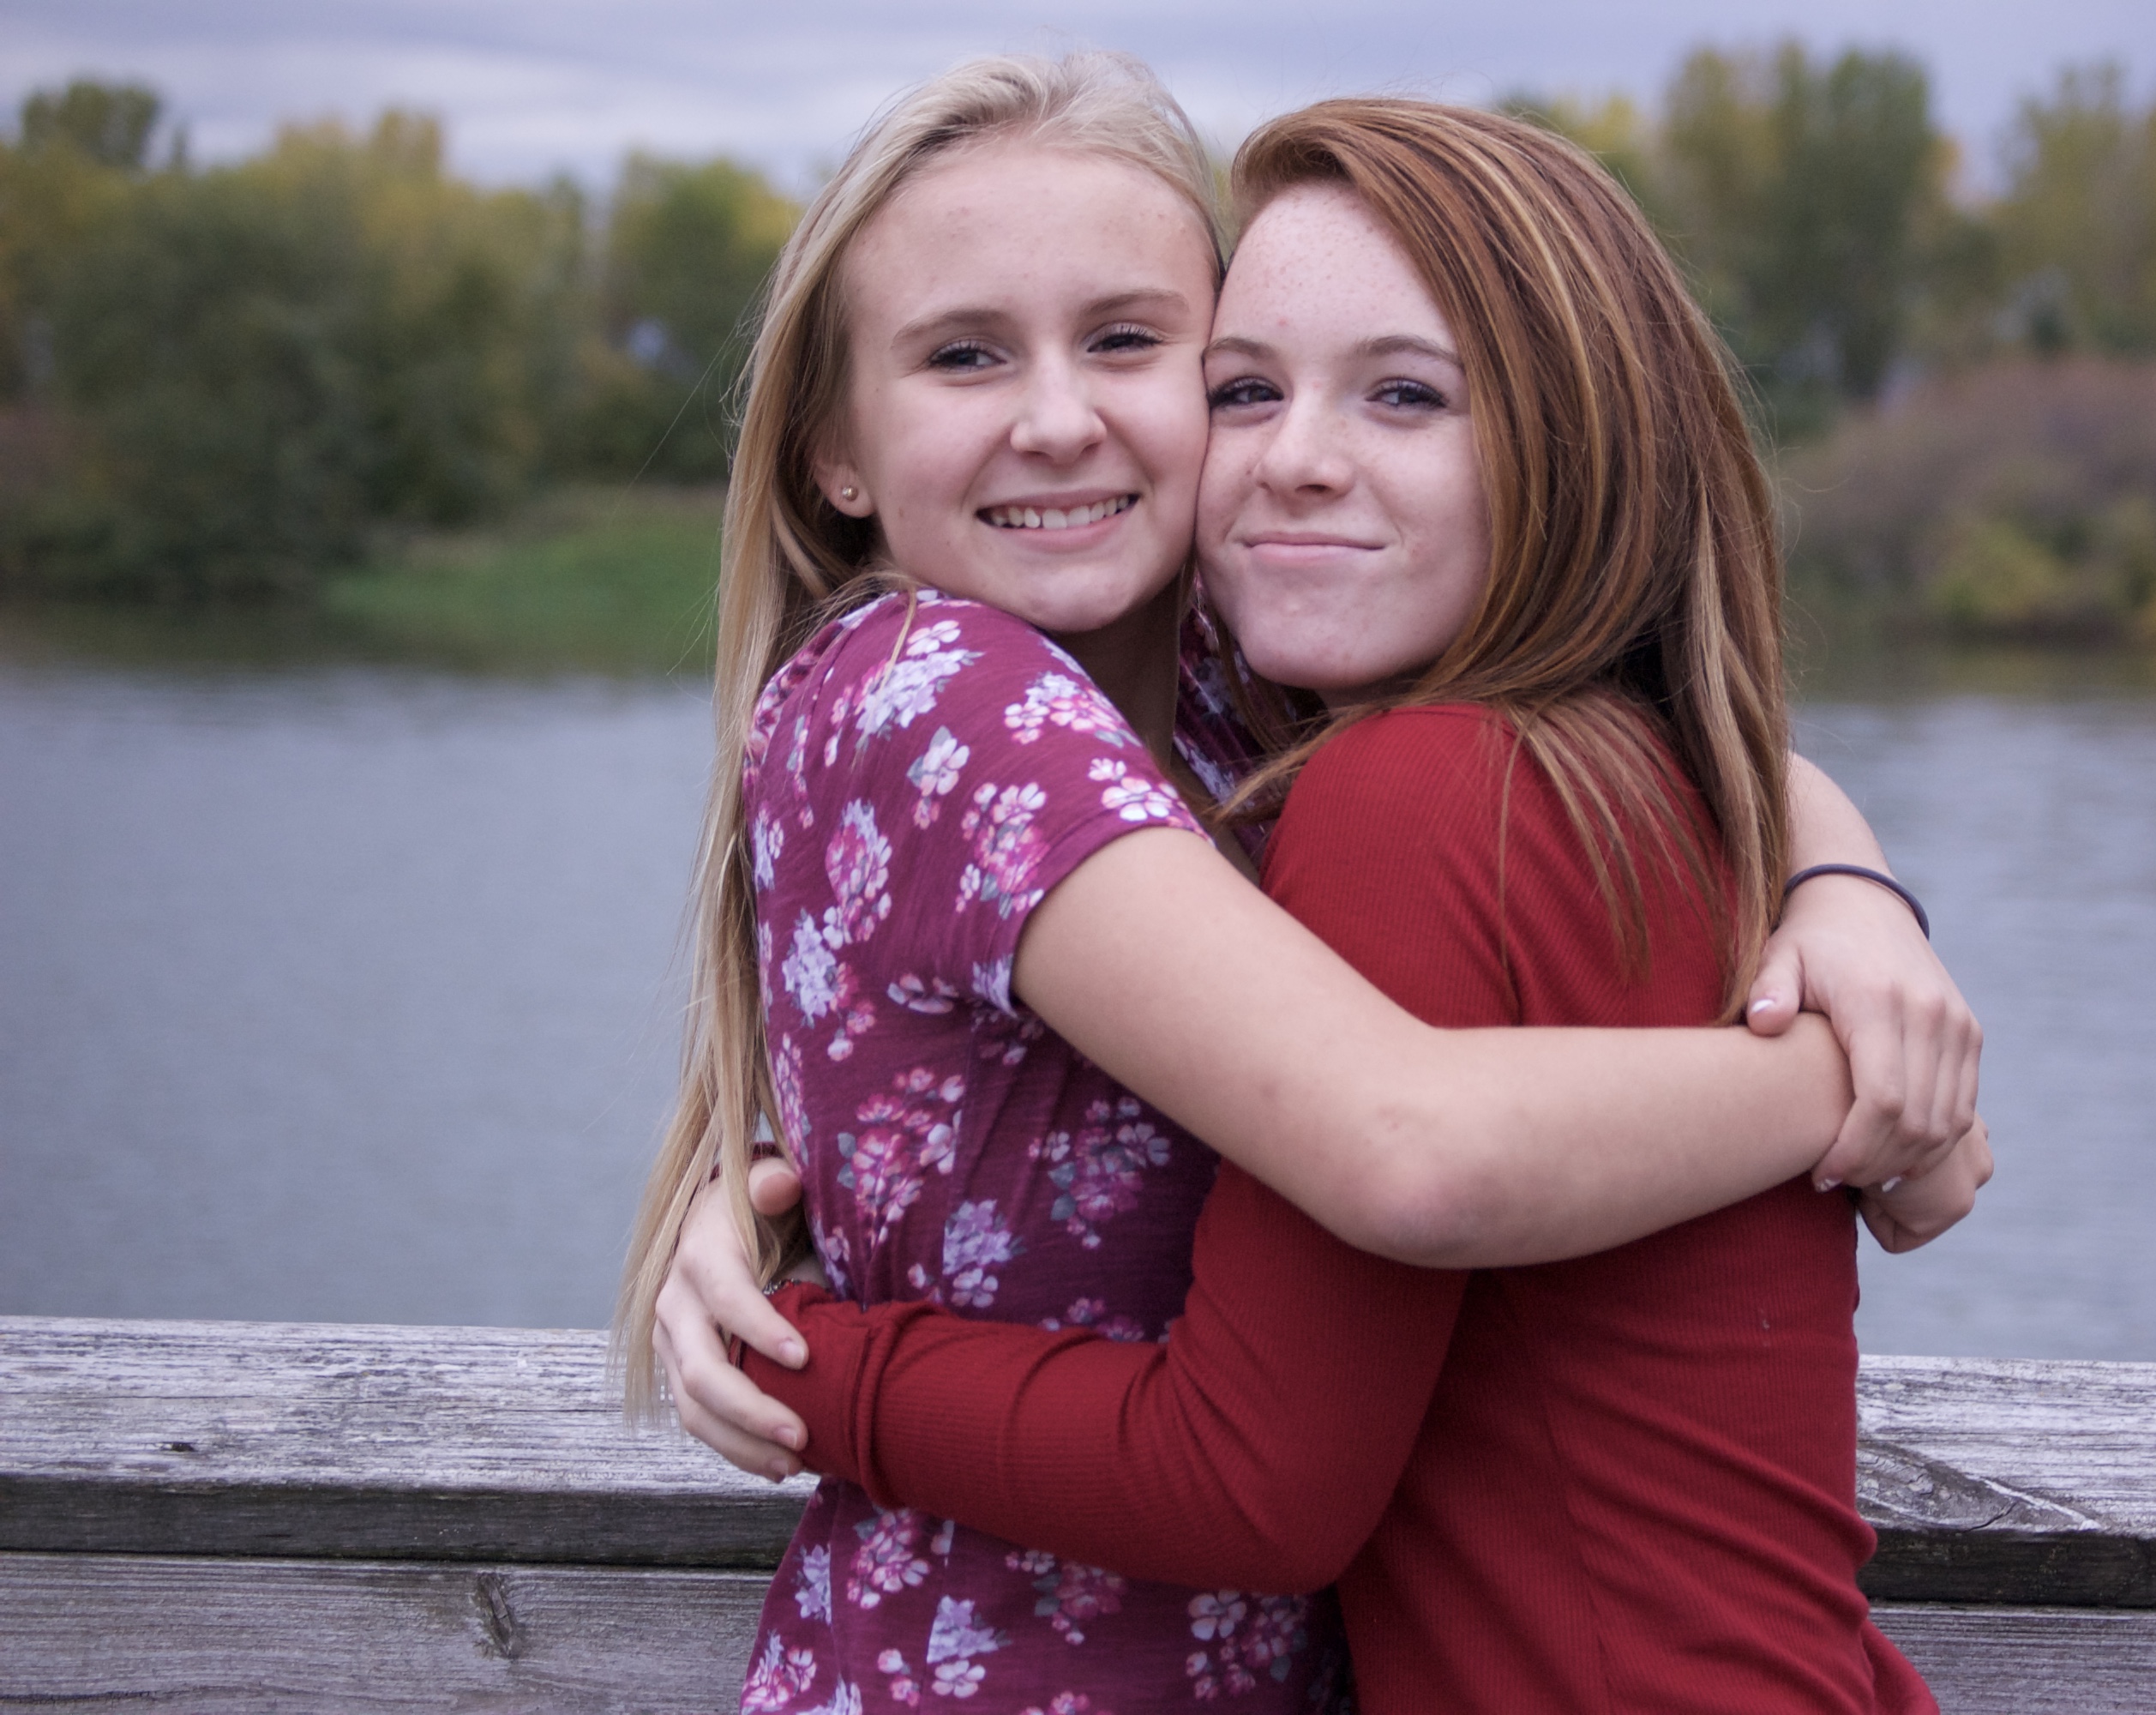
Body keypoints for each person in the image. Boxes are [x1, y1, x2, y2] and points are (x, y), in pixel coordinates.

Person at [611, 54, 1981, 1715]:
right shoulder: (936, 687)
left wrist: (1844, 885)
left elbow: (1675, 727)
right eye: (965, 354)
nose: (1059, 415)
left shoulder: (1247, 686)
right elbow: (1403, 1145)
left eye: (1135, 345)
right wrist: (1843, 1081)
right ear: (833, 448)